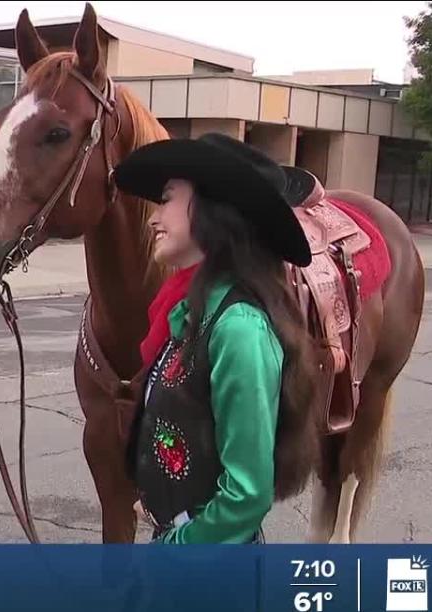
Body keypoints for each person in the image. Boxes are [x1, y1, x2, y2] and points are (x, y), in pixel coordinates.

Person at [112, 132, 321, 547]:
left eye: (168, 198)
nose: (154, 217)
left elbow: (245, 498)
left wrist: (173, 548)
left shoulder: (238, 328)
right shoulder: (192, 312)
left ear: (213, 207)